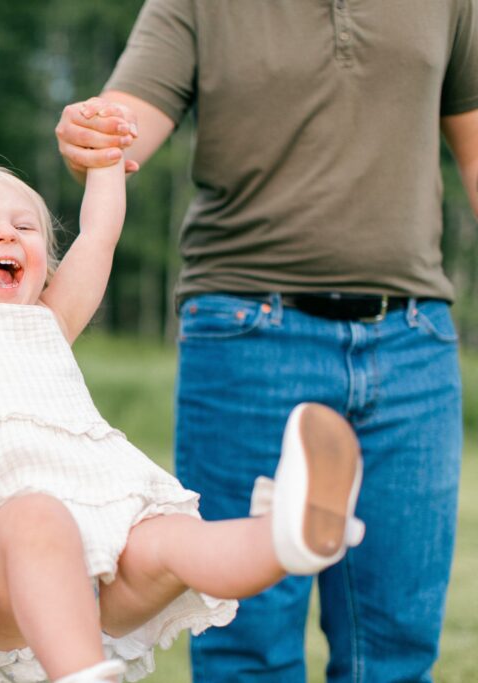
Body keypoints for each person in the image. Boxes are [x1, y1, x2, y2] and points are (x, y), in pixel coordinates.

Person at [0, 61, 366, 683]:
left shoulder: (50, 318)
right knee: (36, 515)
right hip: (4, 560)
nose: (7, 232)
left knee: (174, 540)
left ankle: (287, 535)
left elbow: (99, 237)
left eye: (25, 227)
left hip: (107, 527)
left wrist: (106, 165)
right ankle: (80, 672)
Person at [55, 2, 478, 681]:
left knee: (397, 651)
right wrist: (91, 131)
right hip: (248, 338)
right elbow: (121, 129)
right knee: (243, 642)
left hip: (414, 341)